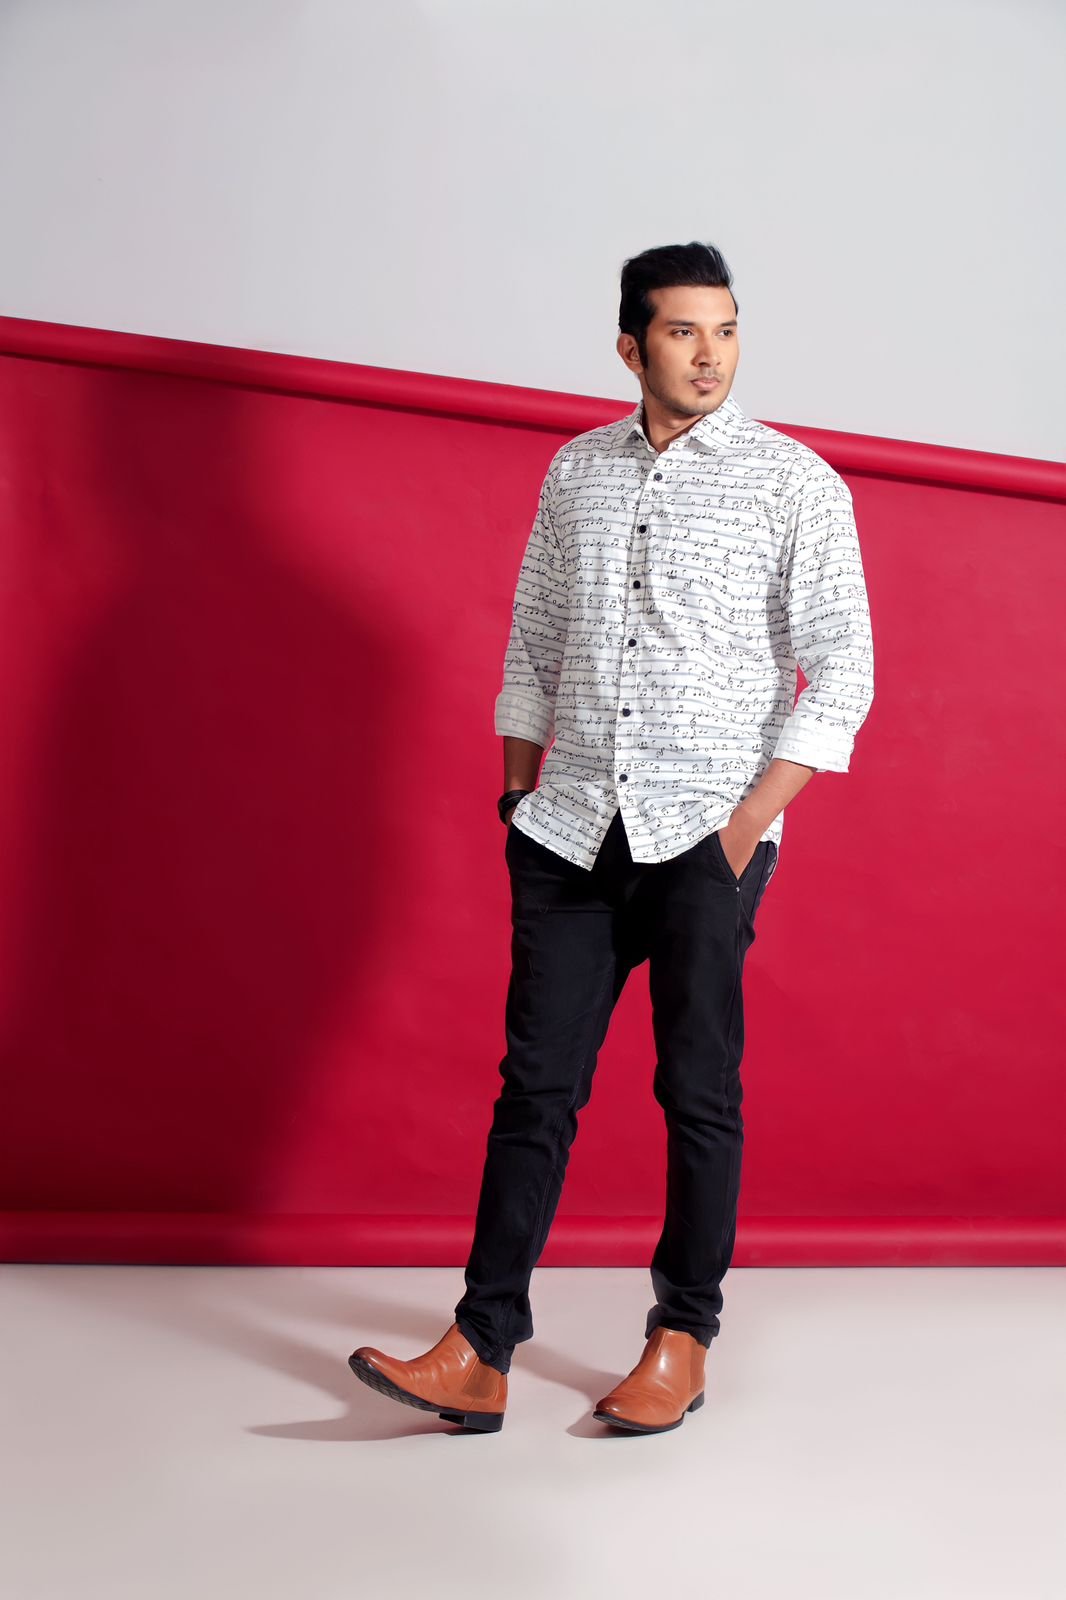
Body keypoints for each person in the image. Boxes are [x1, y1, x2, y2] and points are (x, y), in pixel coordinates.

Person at [349, 240, 875, 1435]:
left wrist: (747, 825)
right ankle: (479, 1346)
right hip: (570, 829)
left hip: (702, 835)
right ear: (631, 346)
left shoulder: (794, 482)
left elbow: (842, 666)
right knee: (534, 1089)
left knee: (696, 1089)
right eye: (684, 332)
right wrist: (518, 793)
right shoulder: (576, 470)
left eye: (726, 330)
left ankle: (681, 1337)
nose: (710, 354)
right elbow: (534, 635)